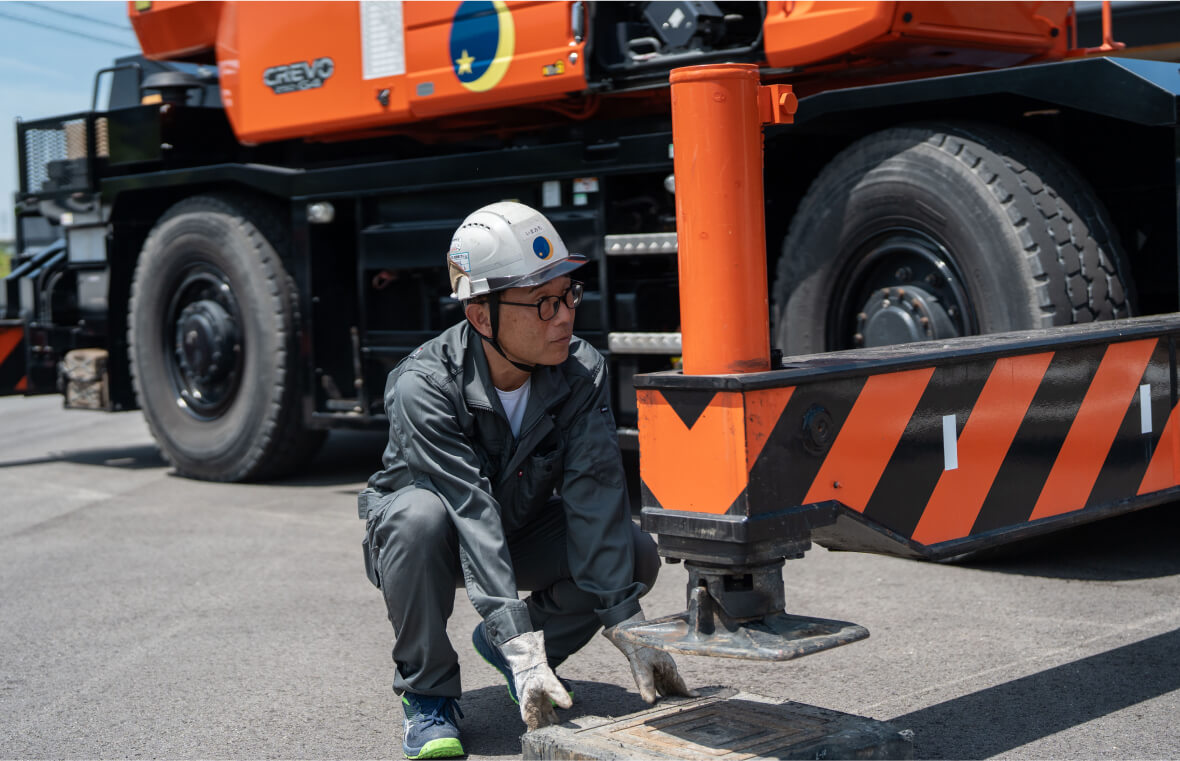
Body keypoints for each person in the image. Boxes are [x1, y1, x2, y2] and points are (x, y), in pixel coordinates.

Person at [358, 201, 695, 759]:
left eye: (568, 295)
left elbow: (596, 492)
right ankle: (428, 697)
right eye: (541, 303)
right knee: (417, 518)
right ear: (480, 315)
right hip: (434, 540)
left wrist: (629, 625)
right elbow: (468, 507)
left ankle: (519, 648)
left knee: (632, 553)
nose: (563, 316)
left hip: (520, 530)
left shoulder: (580, 371)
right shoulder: (423, 385)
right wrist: (520, 639)